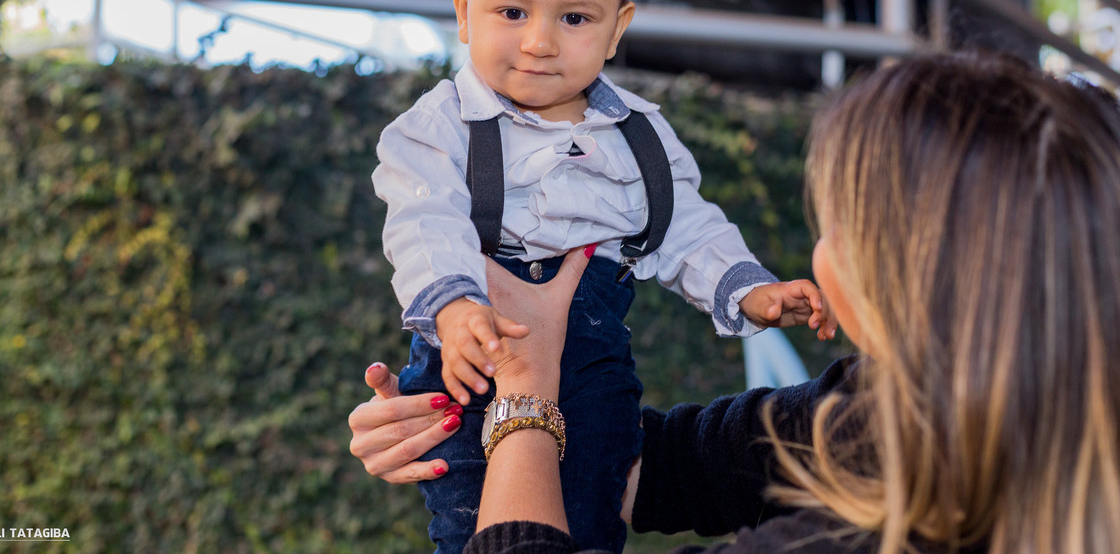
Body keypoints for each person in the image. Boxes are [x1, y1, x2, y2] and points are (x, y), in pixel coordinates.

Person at [352, 51, 1120, 553]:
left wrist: (523, 392)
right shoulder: (893, 414)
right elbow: (689, 465)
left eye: (840, 224)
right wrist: (471, 438)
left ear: (918, 276)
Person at [372, 0, 834, 554]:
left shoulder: (640, 137)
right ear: (463, 10)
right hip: (470, 357)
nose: (539, 41)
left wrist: (748, 286)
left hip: (596, 365)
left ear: (617, 28)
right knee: (473, 521)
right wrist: (453, 304)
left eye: (574, 18)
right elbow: (424, 223)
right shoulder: (438, 127)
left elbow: (686, 227)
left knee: (591, 512)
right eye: (512, 13)